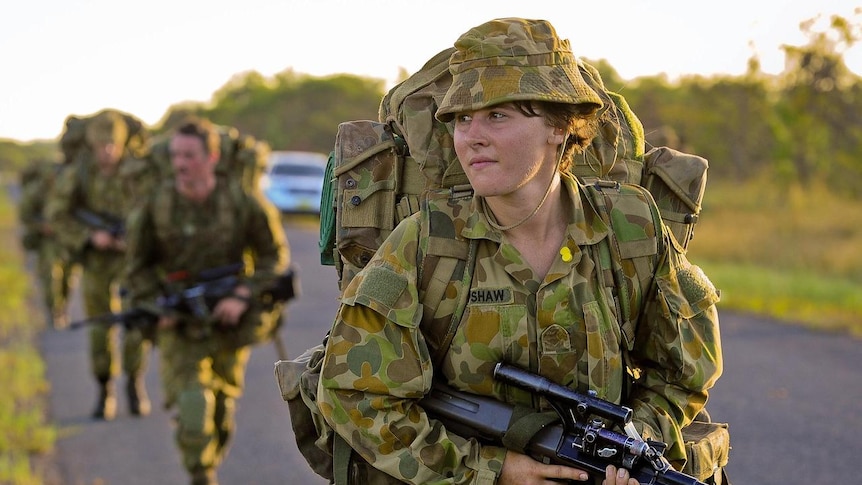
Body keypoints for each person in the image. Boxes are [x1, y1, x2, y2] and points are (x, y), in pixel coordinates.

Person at [317, 18, 723, 485]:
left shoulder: (629, 227)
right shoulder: (426, 241)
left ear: (560, 126)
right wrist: (491, 471)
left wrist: (631, 448)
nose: (472, 137)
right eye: (462, 119)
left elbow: (684, 371)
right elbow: (355, 394)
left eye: (497, 115)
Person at [123, 117, 290, 485]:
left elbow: (273, 256)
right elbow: (136, 269)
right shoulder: (156, 205)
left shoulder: (240, 200)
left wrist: (242, 295)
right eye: (175, 155)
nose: (180, 163)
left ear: (212, 157)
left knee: (222, 411)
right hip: (179, 325)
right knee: (193, 407)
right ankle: (201, 475)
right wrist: (158, 307)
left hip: (229, 324)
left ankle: (207, 464)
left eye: (189, 155)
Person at [45, 109, 158, 420]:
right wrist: (90, 236)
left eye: (112, 146)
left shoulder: (138, 172)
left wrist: (135, 240)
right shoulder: (79, 174)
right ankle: (104, 387)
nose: (107, 153)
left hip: (133, 261)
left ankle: (135, 382)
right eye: (100, 147)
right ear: (92, 147)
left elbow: (157, 212)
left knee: (135, 322)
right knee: (100, 326)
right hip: (96, 260)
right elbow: (57, 213)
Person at [18, 158, 76, 329]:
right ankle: (53, 310)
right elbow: (25, 216)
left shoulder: (66, 189)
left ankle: (62, 306)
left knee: (69, 273)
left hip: (65, 238)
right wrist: (42, 227)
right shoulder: (35, 191)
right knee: (49, 274)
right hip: (46, 240)